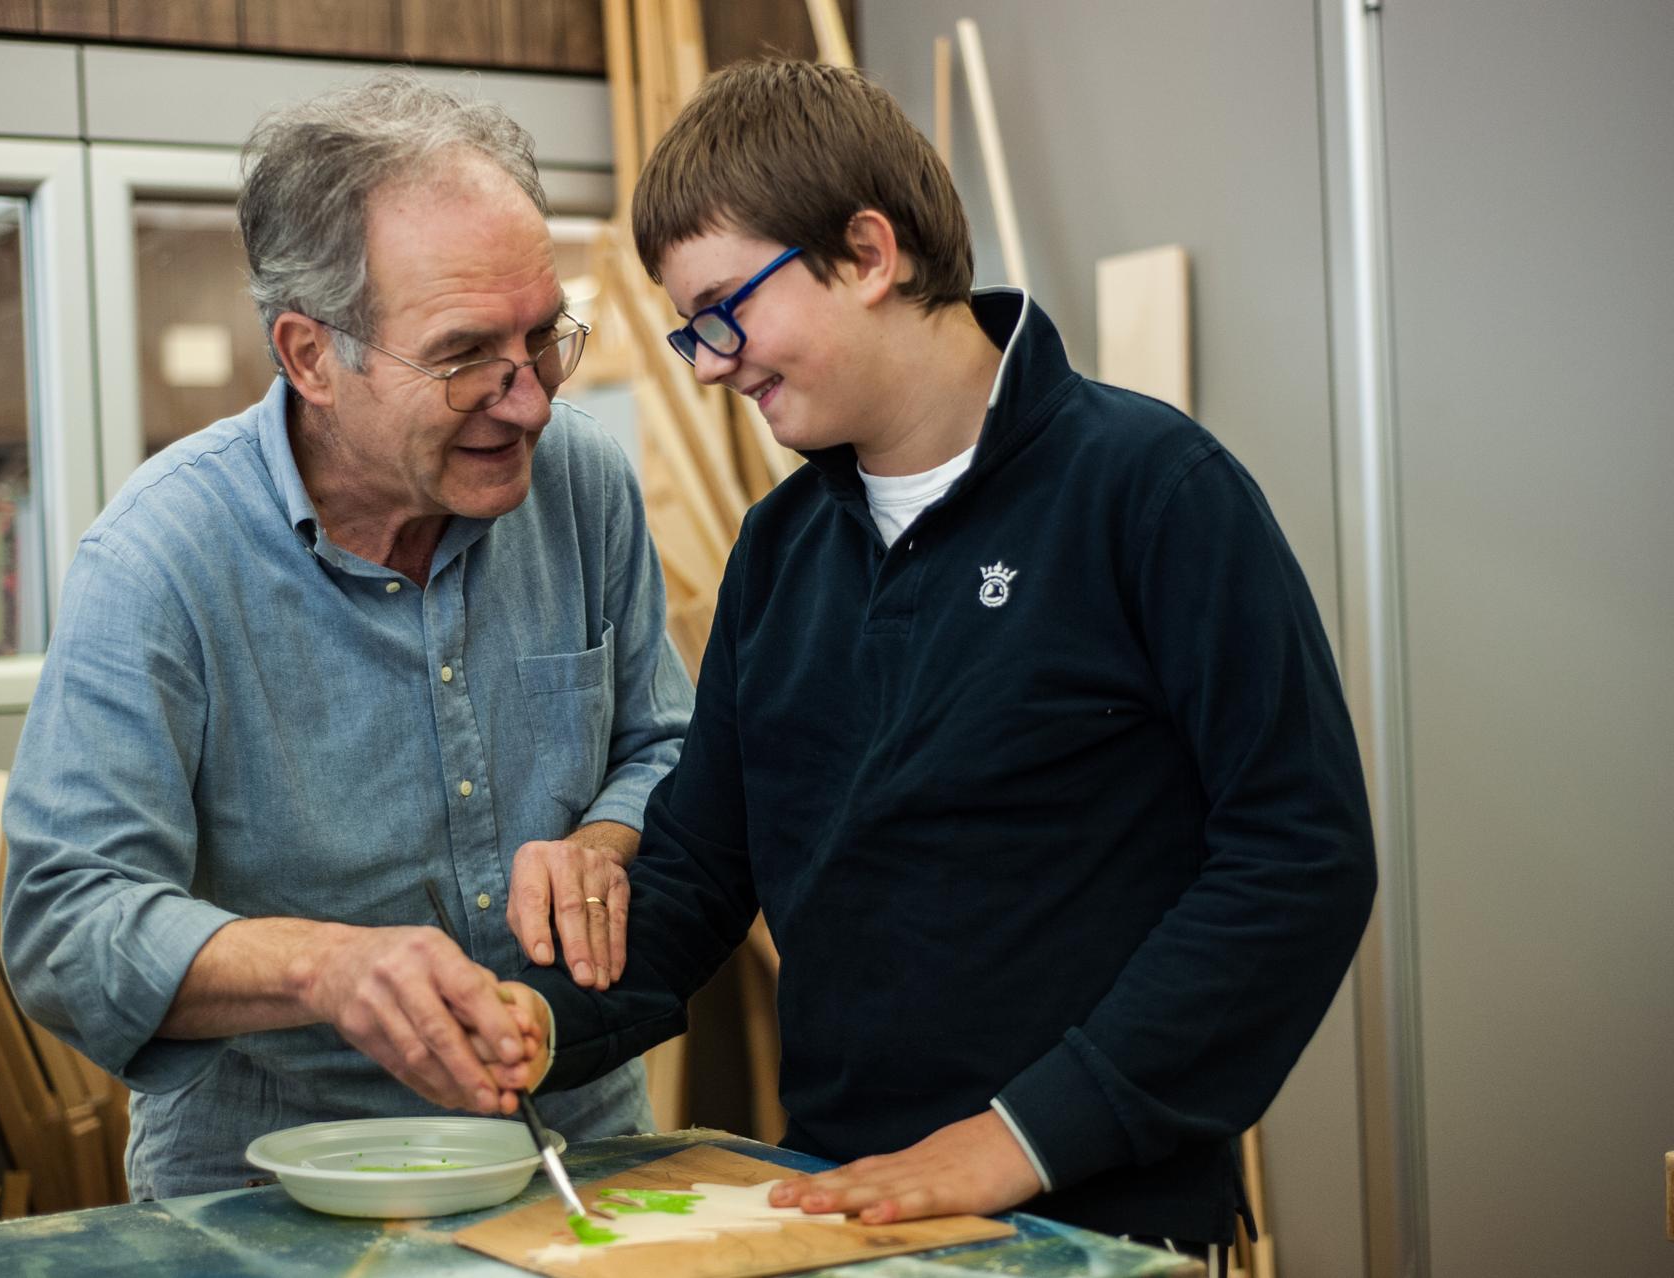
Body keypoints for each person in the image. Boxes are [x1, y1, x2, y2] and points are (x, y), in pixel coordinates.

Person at [463, 60, 1376, 1268]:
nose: (711, 365)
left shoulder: (1153, 493)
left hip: (1098, 1216)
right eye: (692, 330)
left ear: (869, 251)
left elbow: (1297, 861)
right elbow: (698, 873)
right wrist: (533, 1020)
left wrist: (1020, 1138)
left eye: (726, 310)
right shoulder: (781, 551)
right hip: (838, 1207)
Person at [0, 72, 693, 1200]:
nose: (526, 401)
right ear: (312, 356)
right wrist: (321, 968)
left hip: (576, 1151)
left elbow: (667, 745)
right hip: (271, 1192)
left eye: (544, 337)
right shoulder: (160, 559)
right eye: (467, 354)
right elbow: (65, 923)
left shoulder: (582, 487)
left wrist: (606, 842)